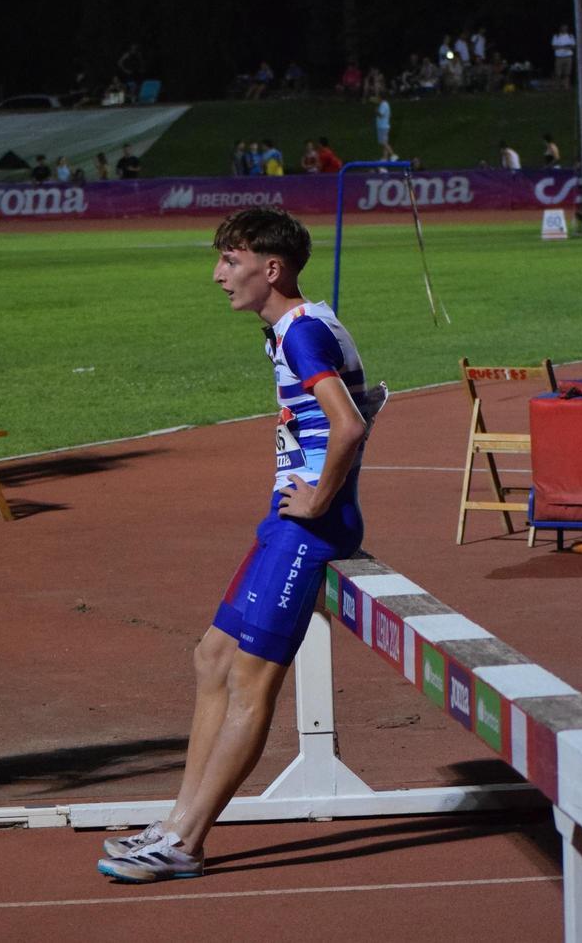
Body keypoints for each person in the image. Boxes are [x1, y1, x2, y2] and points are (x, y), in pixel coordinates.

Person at [96, 206, 385, 883]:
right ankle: (176, 818)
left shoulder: (302, 334)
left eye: (231, 260)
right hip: (284, 522)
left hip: (307, 528)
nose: (219, 274)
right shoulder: (296, 326)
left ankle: (187, 840)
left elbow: (347, 425)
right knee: (211, 657)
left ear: (271, 268)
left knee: (251, 679)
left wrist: (318, 500)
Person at [551, 23, 576, 88]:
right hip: (559, 57)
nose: (564, 28)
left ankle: (566, 86)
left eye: (565, 27)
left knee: (567, 73)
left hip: (568, 56)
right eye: (563, 27)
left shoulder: (570, 36)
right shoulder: (556, 36)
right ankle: (557, 86)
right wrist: (565, 46)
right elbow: (554, 47)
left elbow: (573, 46)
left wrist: (561, 47)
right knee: (558, 73)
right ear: (560, 28)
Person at [375, 95, 395, 160]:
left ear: (380, 98)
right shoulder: (385, 104)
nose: (377, 99)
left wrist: (376, 111)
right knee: (385, 143)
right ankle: (385, 157)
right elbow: (390, 114)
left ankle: (393, 155)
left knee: (384, 142)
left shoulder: (384, 104)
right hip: (384, 126)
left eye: (377, 98)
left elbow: (381, 114)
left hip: (383, 127)